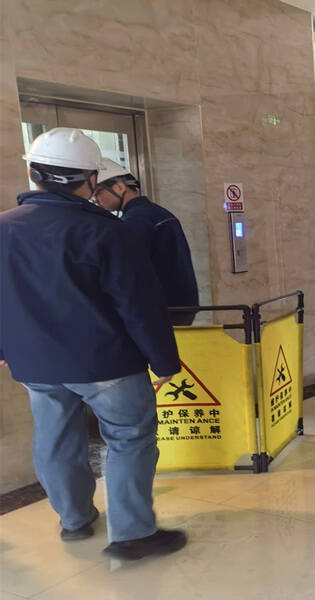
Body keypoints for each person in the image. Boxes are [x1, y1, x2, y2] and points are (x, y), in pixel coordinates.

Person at [0, 128, 186, 560]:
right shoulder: (109, 232)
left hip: (35, 364)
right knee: (129, 437)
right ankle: (132, 535)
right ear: (89, 179)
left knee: (55, 438)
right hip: (107, 362)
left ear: (32, 173)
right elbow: (139, 307)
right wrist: (164, 362)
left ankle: (74, 520)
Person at [95, 158, 199, 325]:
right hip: (180, 306)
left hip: (160, 310)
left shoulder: (136, 220)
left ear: (119, 187)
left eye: (98, 192)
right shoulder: (157, 213)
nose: (96, 199)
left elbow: (131, 271)